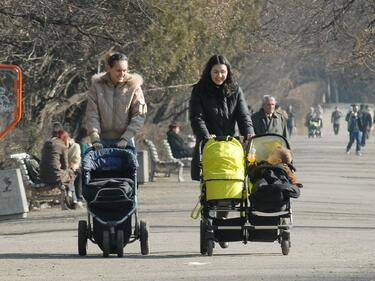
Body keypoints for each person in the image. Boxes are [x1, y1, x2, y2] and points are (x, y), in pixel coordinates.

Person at [189, 54, 254, 248]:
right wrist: (205, 135)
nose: (219, 76)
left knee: (229, 184)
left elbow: (243, 114)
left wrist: (248, 131)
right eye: (216, 72)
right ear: (209, 72)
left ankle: (223, 226)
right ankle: (211, 226)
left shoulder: (235, 89)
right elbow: (196, 117)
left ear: (228, 72)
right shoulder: (199, 91)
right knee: (211, 188)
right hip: (208, 145)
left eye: (223, 72)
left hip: (230, 145)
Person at [85, 51, 147, 150]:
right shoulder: (97, 87)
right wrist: (95, 137)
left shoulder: (134, 87)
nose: (122, 74)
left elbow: (139, 115)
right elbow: (92, 114)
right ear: (109, 68)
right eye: (118, 70)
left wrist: (126, 138)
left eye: (125, 70)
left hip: (126, 141)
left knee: (130, 165)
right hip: (101, 141)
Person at [39, 130, 77, 209]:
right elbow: (65, 166)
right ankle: (72, 198)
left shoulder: (46, 145)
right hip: (55, 177)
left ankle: (70, 196)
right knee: (71, 173)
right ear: (65, 138)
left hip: (43, 176)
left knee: (68, 173)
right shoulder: (62, 146)